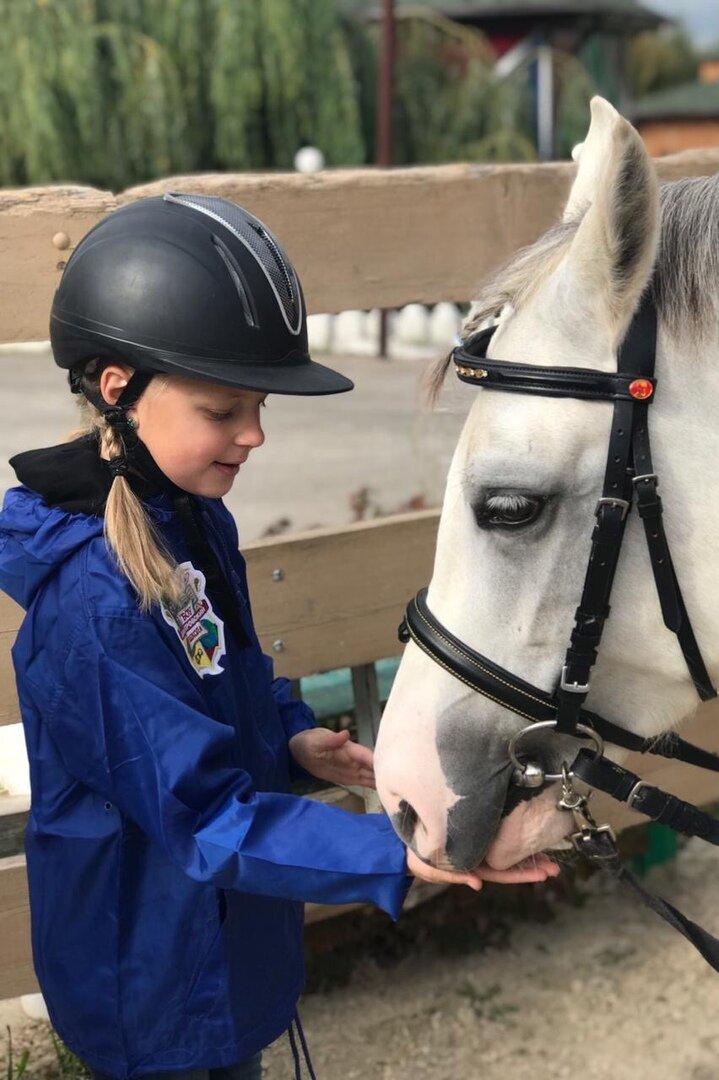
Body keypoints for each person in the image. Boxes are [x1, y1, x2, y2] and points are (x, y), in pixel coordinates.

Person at [0, 194, 550, 1080]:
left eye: (257, 406)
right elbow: (203, 816)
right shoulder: (95, 605)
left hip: (223, 937)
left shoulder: (187, 519)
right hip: (150, 973)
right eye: (224, 411)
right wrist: (409, 849)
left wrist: (291, 735)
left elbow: (225, 674)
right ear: (119, 388)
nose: (254, 435)